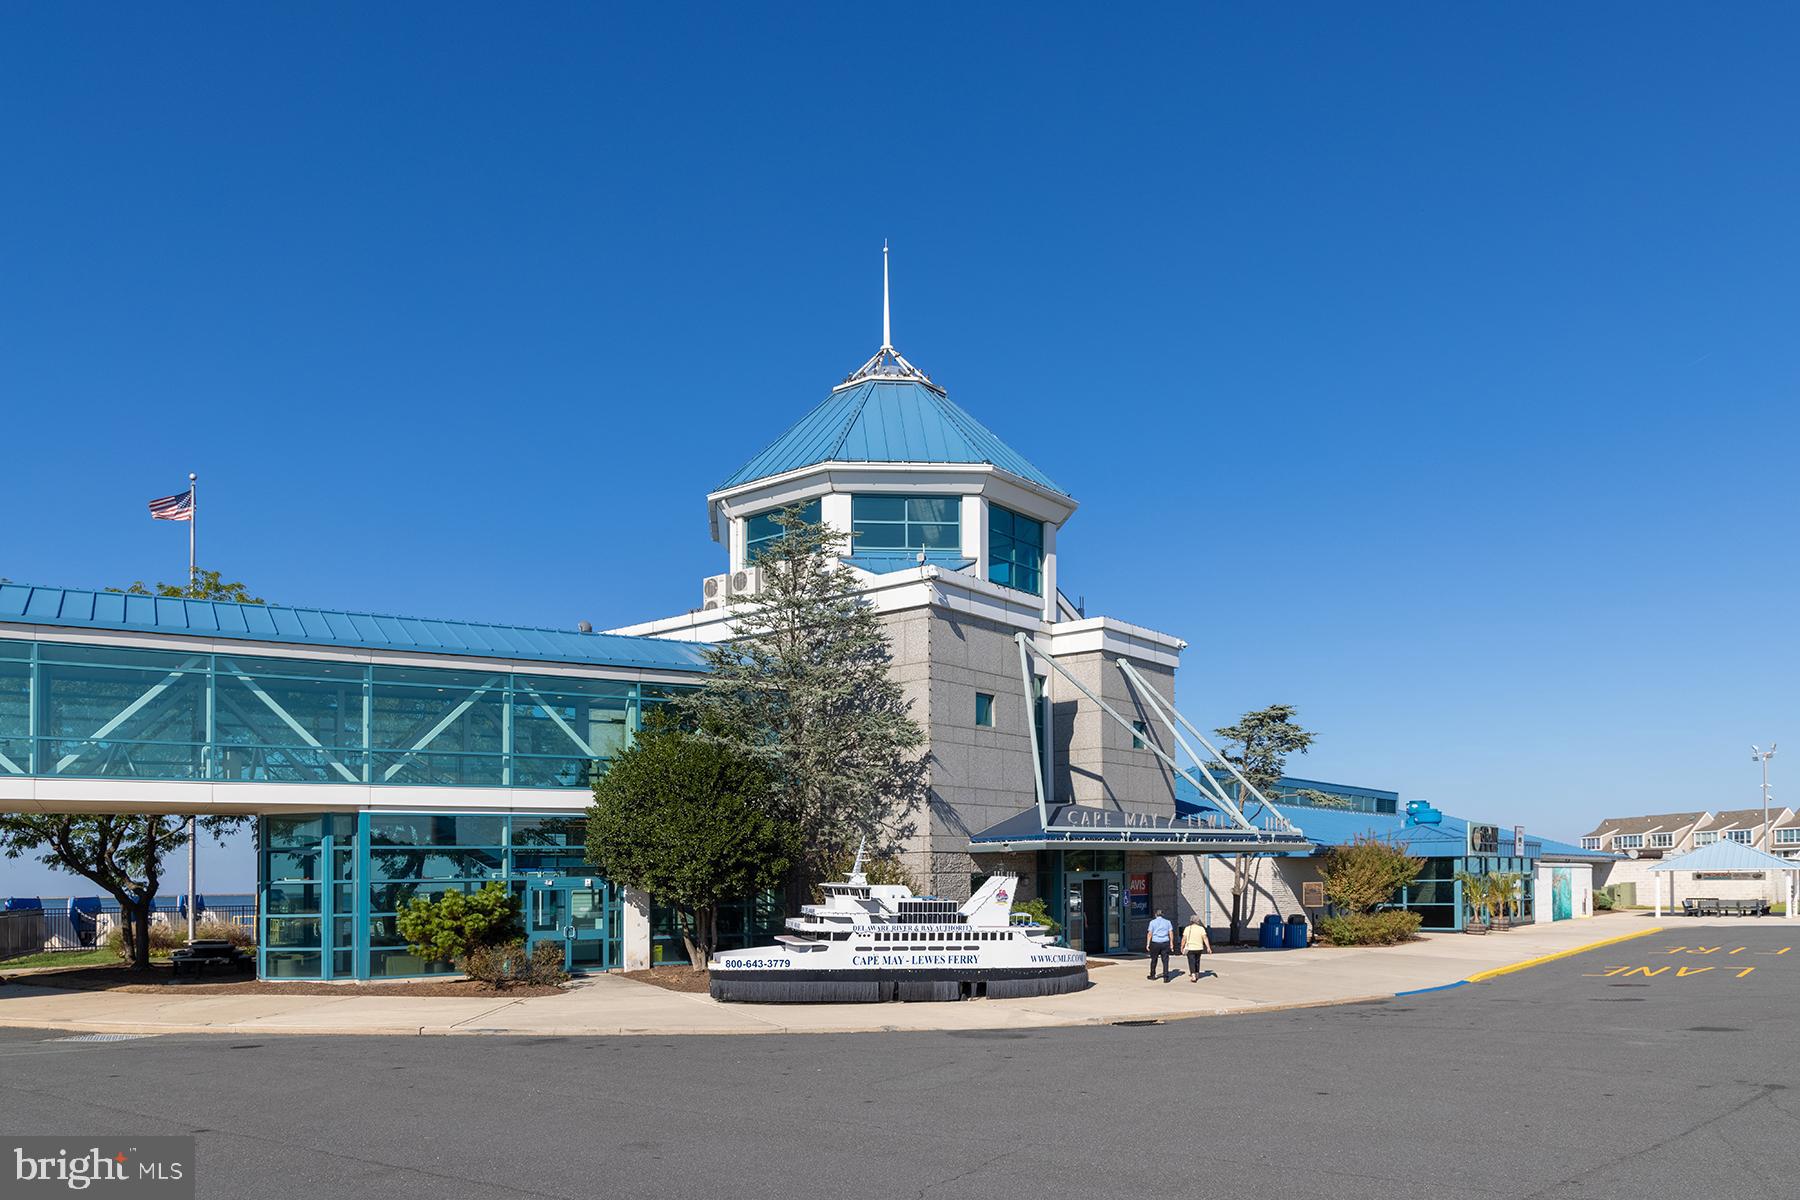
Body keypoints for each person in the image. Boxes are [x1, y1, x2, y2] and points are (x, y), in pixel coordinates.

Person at [1181, 913, 1212, 982]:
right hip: (1199, 948)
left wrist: (1182, 946)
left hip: (1190, 948)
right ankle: (1197, 974)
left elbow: (1184, 939)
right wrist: (1208, 947)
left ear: (1191, 921)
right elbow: (1205, 938)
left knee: (1191, 961)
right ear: (1197, 921)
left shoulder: (1187, 928)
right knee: (1197, 961)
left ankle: (1193, 976)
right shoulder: (1201, 929)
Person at [1145, 908, 1173, 981]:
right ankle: (1166, 977)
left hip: (1155, 942)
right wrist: (1171, 943)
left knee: (1154, 959)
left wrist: (1148, 943)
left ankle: (1152, 975)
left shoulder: (1152, 922)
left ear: (1155, 915)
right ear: (1162, 915)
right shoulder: (1168, 922)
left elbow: (1150, 933)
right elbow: (1171, 933)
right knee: (1165, 960)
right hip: (1165, 942)